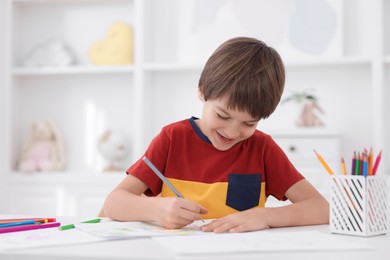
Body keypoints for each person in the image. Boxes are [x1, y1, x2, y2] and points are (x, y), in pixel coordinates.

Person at [103, 37, 329, 233]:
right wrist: (157, 209)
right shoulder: (172, 139)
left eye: (249, 123)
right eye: (222, 115)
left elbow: (322, 208)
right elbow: (114, 203)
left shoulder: (262, 148)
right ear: (202, 90)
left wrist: (266, 216)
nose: (232, 132)